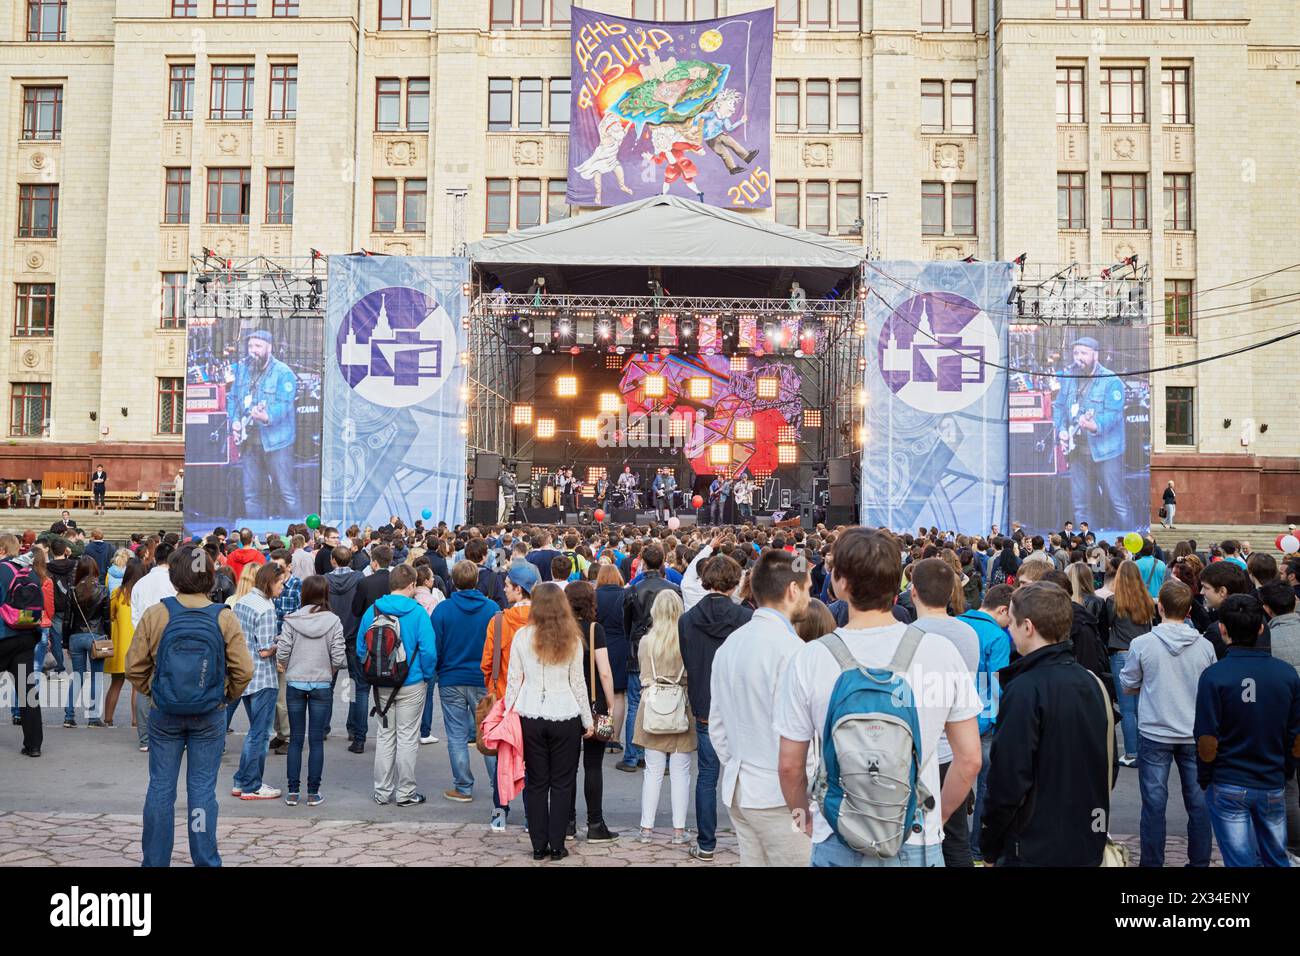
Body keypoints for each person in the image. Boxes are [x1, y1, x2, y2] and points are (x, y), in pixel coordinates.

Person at [775, 527, 983, 868]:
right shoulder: (939, 652)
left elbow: (789, 765)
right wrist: (938, 817)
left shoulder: (809, 658)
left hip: (837, 833)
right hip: (916, 833)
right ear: (898, 582)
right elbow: (970, 759)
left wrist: (803, 818)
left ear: (839, 582)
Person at [127, 544, 253, 866]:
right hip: (209, 716)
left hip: (165, 714)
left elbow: (134, 667)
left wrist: (157, 693)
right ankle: (205, 859)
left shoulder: (157, 614)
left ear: (174, 577)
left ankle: (155, 861)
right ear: (211, 577)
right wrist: (223, 696)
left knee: (160, 790)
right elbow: (244, 670)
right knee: (201, 793)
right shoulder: (224, 617)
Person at [980, 582, 1114, 866]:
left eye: (1012, 624)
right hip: (1084, 834)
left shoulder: (1025, 688)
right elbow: (1107, 763)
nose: (1009, 630)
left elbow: (1008, 778)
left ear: (1027, 627)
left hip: (1032, 844)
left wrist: (990, 843)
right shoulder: (1091, 681)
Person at [709, 550, 813, 865]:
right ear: (792, 590)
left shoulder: (731, 645)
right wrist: (804, 804)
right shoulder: (794, 652)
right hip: (780, 797)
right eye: (807, 588)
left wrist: (739, 765)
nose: (809, 596)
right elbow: (807, 742)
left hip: (742, 791)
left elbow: (717, 727)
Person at [1194, 594, 1300, 867]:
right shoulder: (1286, 674)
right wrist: (1287, 769)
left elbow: (1206, 738)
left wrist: (1206, 776)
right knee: (1276, 857)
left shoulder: (1215, 675)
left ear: (1223, 629)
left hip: (1229, 778)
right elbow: (1295, 735)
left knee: (1240, 860)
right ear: (1261, 628)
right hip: (1270, 778)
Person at [1118, 579, 1216, 867]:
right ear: (1188, 610)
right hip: (1193, 731)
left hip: (1155, 729)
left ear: (1159, 607)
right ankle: (1199, 862)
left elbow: (1128, 683)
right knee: (1198, 804)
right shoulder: (1205, 646)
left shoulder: (1142, 643)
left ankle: (1152, 862)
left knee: (1153, 804)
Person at [503, 581, 593, 861]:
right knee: (563, 782)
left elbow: (514, 681)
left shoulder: (521, 636)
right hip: (564, 713)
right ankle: (557, 844)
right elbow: (578, 683)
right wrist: (588, 720)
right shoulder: (573, 639)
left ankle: (538, 844)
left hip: (530, 713)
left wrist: (507, 711)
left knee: (537, 782)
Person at [908, 558, 982, 868]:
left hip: (919, 753)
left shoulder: (906, 637)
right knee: (956, 837)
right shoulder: (968, 634)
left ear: (913, 592)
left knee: (913, 839)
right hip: (955, 749)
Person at [678, 551, 752, 861]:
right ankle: (746, 839)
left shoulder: (687, 620)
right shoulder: (746, 619)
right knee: (746, 775)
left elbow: (689, 661)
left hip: (706, 704)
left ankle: (707, 842)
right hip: (740, 707)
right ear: (735, 583)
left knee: (707, 775)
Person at [356, 564, 438, 807]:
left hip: (381, 682)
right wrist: (425, 675)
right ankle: (405, 792)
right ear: (412, 585)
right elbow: (429, 650)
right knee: (407, 737)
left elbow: (362, 648)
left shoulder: (373, 610)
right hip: (411, 682)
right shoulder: (418, 612)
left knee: (385, 736)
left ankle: (382, 791)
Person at [431, 560, 503, 814]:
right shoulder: (492, 608)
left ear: (453, 580)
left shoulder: (443, 610)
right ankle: (499, 785)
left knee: (457, 734)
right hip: (482, 679)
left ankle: (463, 786)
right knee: (489, 733)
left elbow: (435, 646)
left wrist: (437, 671)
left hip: (451, 677)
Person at [632, 589, 695, 846]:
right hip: (681, 704)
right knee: (681, 771)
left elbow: (643, 676)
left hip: (653, 704)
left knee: (653, 770)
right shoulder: (686, 639)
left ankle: (646, 828)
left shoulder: (647, 641)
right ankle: (678, 831)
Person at [956, 583, 1014, 863]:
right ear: (1003, 610)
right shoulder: (997, 636)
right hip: (983, 719)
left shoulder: (956, 625)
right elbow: (996, 683)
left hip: (950, 715)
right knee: (985, 787)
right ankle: (977, 846)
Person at [276, 575, 345, 807]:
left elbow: (282, 650)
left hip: (295, 681)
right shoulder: (333, 621)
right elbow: (338, 655)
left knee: (295, 739)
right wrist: (330, 670)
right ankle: (313, 792)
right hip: (322, 683)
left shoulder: (292, 620)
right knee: (316, 741)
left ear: (304, 593)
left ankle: (293, 791)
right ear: (326, 593)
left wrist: (287, 665)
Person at [1052, 336, 1130, 531]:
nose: (1079, 357)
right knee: (1081, 505)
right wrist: (1061, 430)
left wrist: (1094, 425)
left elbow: (1114, 415)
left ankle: (1132, 547)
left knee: (1117, 501)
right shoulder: (1070, 378)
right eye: (1076, 353)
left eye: (1084, 353)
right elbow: (1059, 406)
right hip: (1078, 451)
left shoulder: (1111, 381)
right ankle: (1089, 546)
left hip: (1106, 452)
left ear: (1096, 355)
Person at [564, 580, 618, 843]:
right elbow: (604, 672)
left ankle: (567, 822)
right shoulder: (596, 629)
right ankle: (595, 823)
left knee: (568, 767)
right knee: (594, 765)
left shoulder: (562, 630)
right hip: (596, 703)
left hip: (566, 704)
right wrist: (611, 704)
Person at [620, 542, 680, 773]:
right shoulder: (673, 589)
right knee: (666, 700)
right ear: (663, 560)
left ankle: (633, 756)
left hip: (640, 651)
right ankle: (662, 758)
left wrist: (633, 642)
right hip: (667, 649)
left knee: (635, 703)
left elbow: (627, 623)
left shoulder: (634, 590)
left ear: (643, 561)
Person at [229, 329, 300, 518]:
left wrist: (266, 416)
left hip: (277, 442)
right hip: (250, 441)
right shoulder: (243, 370)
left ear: (269, 348)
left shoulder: (283, 373)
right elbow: (234, 398)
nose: (253, 350)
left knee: (286, 492)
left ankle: (300, 536)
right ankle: (253, 539)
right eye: (250, 346)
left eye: (258, 346)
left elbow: (284, 405)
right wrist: (235, 422)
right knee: (251, 494)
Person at [230, 562, 286, 801]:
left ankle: (242, 780)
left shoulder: (243, 602)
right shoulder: (265, 608)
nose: (283, 587)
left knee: (256, 732)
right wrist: (281, 642)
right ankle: (251, 784)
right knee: (260, 734)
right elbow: (265, 650)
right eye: (281, 582)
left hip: (244, 673)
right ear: (270, 582)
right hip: (263, 676)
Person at [1257, 580, 1300, 862]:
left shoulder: (1267, 643)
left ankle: (1293, 848)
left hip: (1284, 721)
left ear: (1267, 610)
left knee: (1289, 785)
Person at [1104, 560, 1156, 766]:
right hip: (1145, 654)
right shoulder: (1147, 601)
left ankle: (1132, 753)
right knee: (1142, 707)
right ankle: (1142, 752)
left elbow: (1107, 626)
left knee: (1127, 710)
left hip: (1123, 653)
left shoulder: (1114, 602)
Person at [0, 534, 43, 756]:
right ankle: (33, 744)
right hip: (26, 635)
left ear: (1, 550)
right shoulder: (29, 571)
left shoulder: (2, 570)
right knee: (27, 692)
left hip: (3, 635)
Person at [62, 556, 111, 728]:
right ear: (96, 570)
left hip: (76, 636)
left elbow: (67, 620)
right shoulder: (103, 591)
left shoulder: (72, 591)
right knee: (97, 677)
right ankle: (93, 717)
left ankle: (69, 716)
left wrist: (65, 643)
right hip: (96, 636)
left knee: (77, 676)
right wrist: (108, 638)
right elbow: (106, 619)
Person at [595, 563, 630, 756]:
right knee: (618, 694)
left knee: (601, 691)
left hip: (599, 642)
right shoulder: (625, 595)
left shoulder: (595, 595)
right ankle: (615, 738)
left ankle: (603, 732)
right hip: (620, 644)